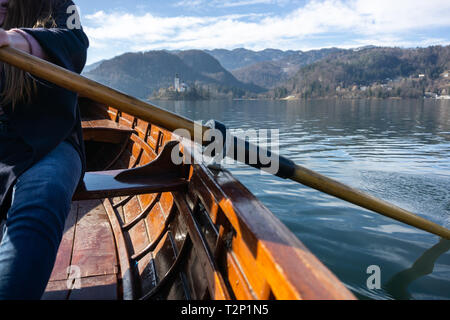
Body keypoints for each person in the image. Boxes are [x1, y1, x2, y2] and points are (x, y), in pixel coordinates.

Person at [0, 0, 89, 299]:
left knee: (43, 193)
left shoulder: (60, 5)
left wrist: (14, 40)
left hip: (54, 139)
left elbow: (76, 44)